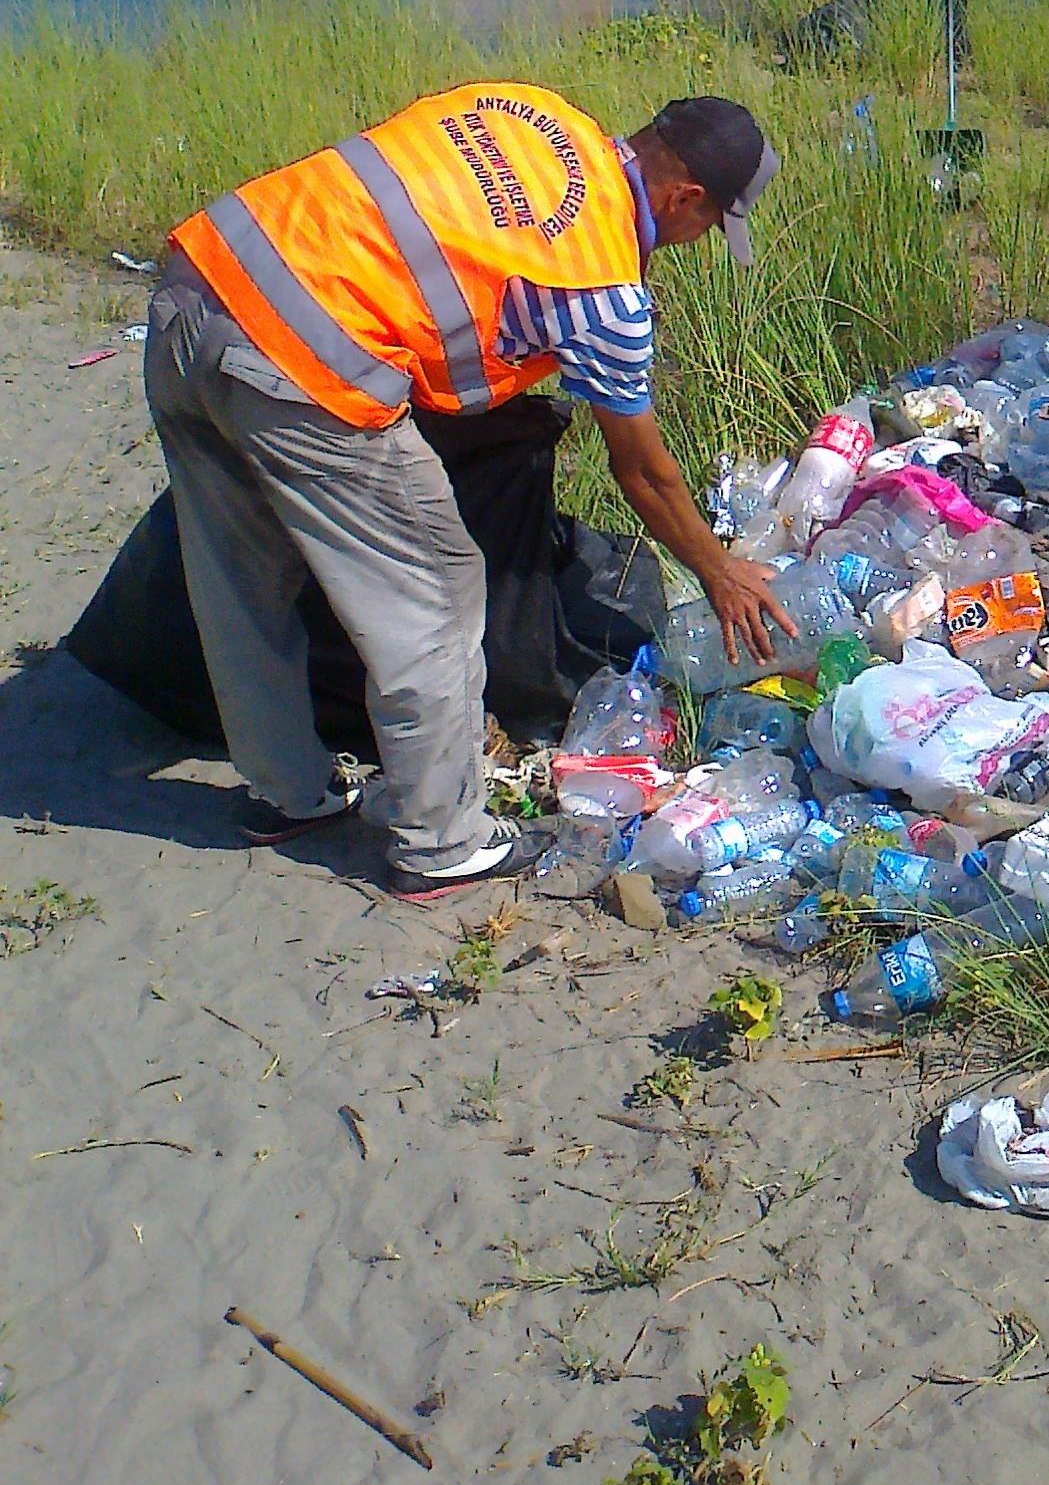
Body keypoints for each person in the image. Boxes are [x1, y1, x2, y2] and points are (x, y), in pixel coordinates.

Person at [144, 87, 792, 901]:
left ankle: (287, 793)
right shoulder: (603, 288)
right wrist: (721, 572)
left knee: (242, 574)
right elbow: (644, 472)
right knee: (439, 590)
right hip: (303, 359)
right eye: (707, 228)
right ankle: (443, 843)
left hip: (196, 284)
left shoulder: (533, 112)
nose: (696, 243)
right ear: (685, 199)